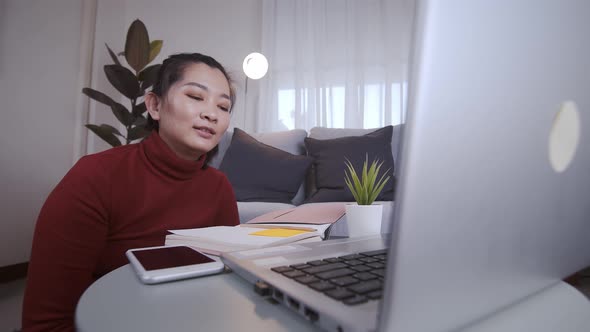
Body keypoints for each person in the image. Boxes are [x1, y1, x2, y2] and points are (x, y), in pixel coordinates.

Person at [22, 53, 240, 331]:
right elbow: (47, 322)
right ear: (155, 105)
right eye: (196, 97)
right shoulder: (94, 177)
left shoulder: (219, 188)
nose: (211, 114)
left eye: (223, 106)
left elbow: (229, 287)